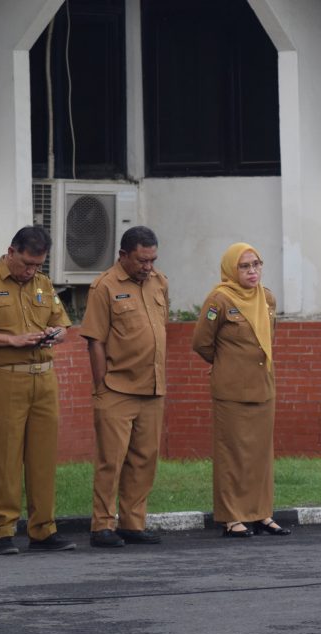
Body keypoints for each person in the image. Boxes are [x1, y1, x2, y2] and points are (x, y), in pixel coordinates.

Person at [0, 226, 75, 555]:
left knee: (43, 457)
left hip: (43, 377)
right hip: (4, 378)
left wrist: (56, 333)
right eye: (26, 263)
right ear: (11, 252)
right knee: (3, 457)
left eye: (37, 265)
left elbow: (63, 324)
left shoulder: (43, 283)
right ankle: (1, 530)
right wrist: (11, 340)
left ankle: (43, 528)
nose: (30, 271)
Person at [191, 243, 289, 538]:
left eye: (256, 264)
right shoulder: (219, 299)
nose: (252, 271)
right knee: (232, 454)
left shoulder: (267, 297)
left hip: (263, 386)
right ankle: (232, 516)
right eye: (245, 266)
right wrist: (225, 363)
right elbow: (201, 343)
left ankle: (261, 513)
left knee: (260, 454)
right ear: (232, 269)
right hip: (231, 389)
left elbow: (268, 339)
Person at [81, 226, 167, 548]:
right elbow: (95, 341)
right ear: (123, 256)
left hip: (153, 387)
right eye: (141, 260)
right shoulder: (104, 286)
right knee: (111, 461)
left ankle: (133, 522)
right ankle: (102, 525)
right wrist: (101, 385)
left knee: (144, 460)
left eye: (152, 259)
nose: (148, 266)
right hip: (117, 388)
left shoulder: (159, 282)